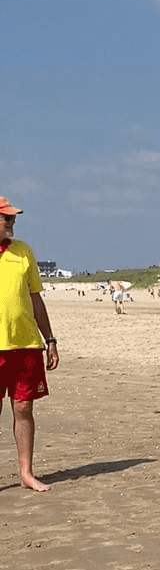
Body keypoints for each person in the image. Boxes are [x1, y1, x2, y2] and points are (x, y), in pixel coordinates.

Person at [0, 196, 59, 492]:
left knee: (23, 409)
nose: (11, 223)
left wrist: (50, 339)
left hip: (25, 346)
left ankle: (26, 472)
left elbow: (36, 298)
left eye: (12, 219)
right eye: (6, 218)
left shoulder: (24, 252)